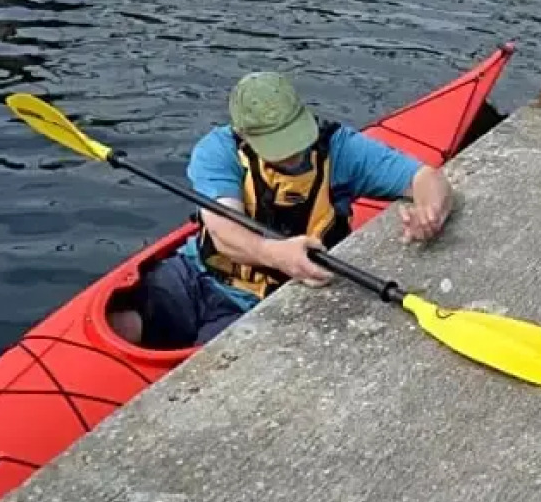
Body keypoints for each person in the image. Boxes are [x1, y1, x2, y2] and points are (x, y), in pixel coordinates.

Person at [109, 70, 454, 349]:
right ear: (241, 133)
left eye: (293, 136)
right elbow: (224, 232)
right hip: (198, 272)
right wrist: (275, 253)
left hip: (262, 301)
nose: (291, 153)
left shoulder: (341, 148)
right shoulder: (216, 151)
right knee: (124, 322)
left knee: (205, 368)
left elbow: (427, 178)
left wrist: (430, 213)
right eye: (276, 143)